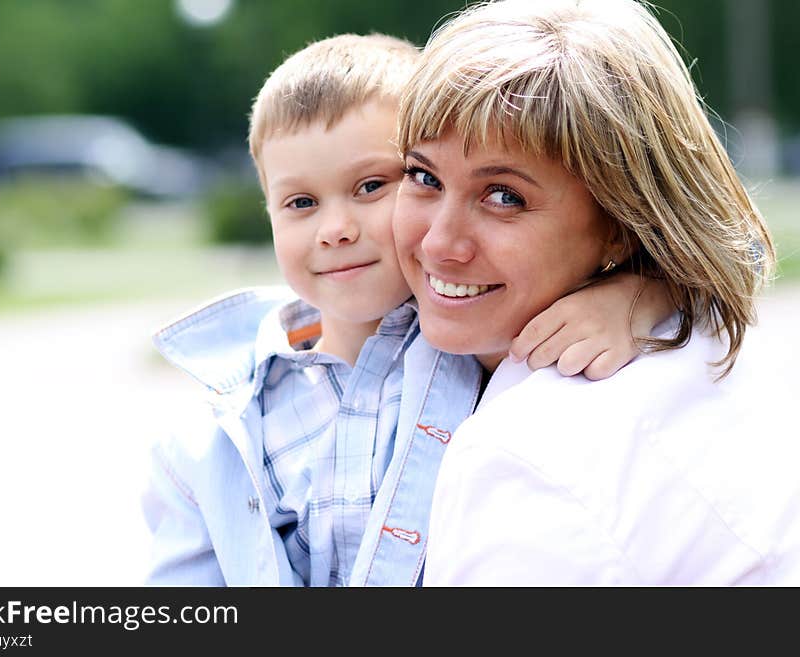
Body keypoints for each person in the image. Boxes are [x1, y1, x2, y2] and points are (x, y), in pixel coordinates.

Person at [142, 32, 674, 586]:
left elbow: (724, 262)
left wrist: (639, 294)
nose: (336, 230)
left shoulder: (474, 331)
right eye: (301, 203)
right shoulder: (224, 430)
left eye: (371, 186)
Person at [390, 0, 799, 585]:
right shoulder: (704, 338)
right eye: (423, 177)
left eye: (504, 196)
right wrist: (657, 288)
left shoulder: (531, 456)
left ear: (620, 220)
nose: (438, 243)